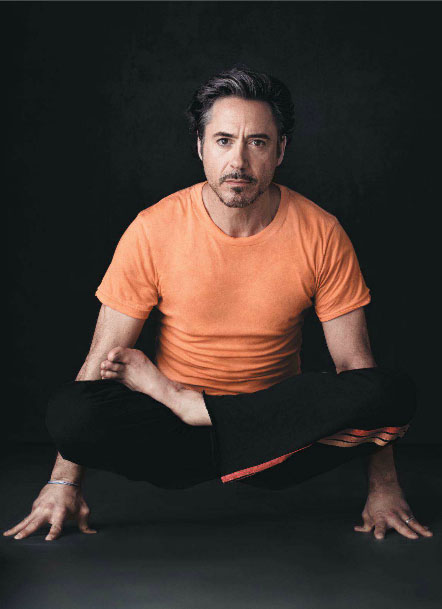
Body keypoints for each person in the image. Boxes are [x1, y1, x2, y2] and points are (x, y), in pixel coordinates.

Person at [3, 66, 433, 543]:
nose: (239, 162)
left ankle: (197, 407)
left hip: (276, 443)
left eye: (258, 142)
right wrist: (62, 483)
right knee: (70, 412)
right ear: (200, 147)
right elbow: (99, 358)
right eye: (224, 141)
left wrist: (384, 488)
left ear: (280, 151)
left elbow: (356, 366)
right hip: (172, 438)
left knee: (389, 392)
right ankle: (191, 409)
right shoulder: (153, 228)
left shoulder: (321, 232)